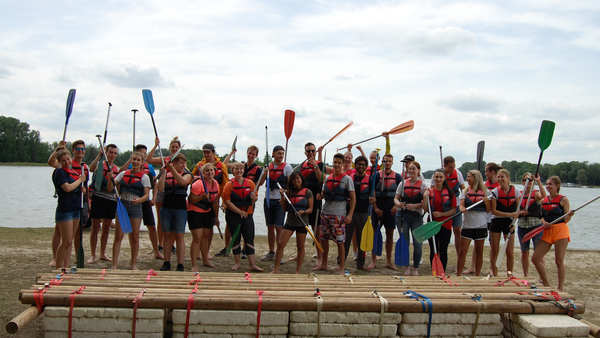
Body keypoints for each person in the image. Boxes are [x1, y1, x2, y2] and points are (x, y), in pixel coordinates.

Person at [47, 140, 89, 267]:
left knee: (70, 241)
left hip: (76, 209)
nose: (67, 162)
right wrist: (80, 181)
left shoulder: (74, 172)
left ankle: (66, 266)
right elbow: (67, 188)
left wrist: (83, 189)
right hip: (65, 211)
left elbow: (76, 188)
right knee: (65, 242)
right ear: (59, 162)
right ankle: (58, 268)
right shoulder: (60, 172)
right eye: (63, 160)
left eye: (68, 159)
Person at [314, 153, 356, 274]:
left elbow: (353, 198)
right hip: (325, 213)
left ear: (343, 164)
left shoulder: (347, 179)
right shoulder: (328, 178)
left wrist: (350, 215)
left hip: (339, 215)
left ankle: (342, 267)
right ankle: (324, 264)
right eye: (335, 162)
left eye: (339, 162)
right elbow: (323, 194)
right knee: (324, 239)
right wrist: (320, 196)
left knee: (340, 241)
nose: (337, 164)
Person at [119, 144, 163, 260]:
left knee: (152, 226)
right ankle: (133, 255)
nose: (144, 154)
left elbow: (155, 184)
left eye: (145, 153)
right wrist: (129, 161)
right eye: (141, 152)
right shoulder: (130, 166)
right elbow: (120, 174)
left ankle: (157, 251)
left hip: (145, 201)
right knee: (133, 231)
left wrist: (154, 198)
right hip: (131, 201)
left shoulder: (150, 168)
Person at [109, 152, 151, 270]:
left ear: (142, 162)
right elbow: (110, 188)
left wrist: (139, 200)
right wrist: (110, 179)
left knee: (134, 236)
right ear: (131, 160)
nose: (135, 162)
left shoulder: (144, 177)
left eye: (138, 160)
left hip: (136, 206)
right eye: (134, 159)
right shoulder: (122, 174)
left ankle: (133, 264)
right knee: (118, 236)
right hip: (123, 205)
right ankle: (114, 265)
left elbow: (147, 195)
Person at [532, 176, 574, 292]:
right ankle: (546, 283)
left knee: (559, 260)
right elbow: (541, 216)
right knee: (535, 258)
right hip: (548, 232)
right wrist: (544, 223)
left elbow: (566, 220)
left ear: (557, 186)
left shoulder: (563, 200)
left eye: (551, 184)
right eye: (547, 184)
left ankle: (560, 287)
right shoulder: (544, 200)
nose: (548, 186)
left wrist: (569, 215)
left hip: (561, 231)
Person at [223, 145, 263, 258]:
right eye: (249, 153)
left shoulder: (258, 169)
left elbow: (259, 184)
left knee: (246, 226)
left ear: (256, 156)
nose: (250, 156)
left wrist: (254, 199)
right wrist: (232, 152)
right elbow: (224, 165)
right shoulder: (241, 166)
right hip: (235, 200)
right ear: (246, 153)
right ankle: (228, 247)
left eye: (253, 154)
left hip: (249, 201)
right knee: (230, 224)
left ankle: (245, 250)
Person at [272, 172, 314, 274]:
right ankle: (276, 269)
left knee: (300, 247)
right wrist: (282, 196)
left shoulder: (308, 192)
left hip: (302, 222)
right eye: (294, 179)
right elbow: (285, 209)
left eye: (298, 178)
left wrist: (303, 212)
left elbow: (310, 209)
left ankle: (297, 271)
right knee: (281, 244)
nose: (296, 181)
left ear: (302, 179)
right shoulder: (289, 193)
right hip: (290, 222)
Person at [192, 143, 229, 257]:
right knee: (199, 228)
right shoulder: (199, 165)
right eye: (204, 152)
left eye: (208, 152)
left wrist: (224, 201)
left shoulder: (221, 166)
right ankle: (197, 252)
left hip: (214, 199)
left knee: (212, 223)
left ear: (213, 152)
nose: (206, 154)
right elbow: (190, 178)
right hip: (200, 200)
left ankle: (206, 251)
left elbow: (226, 184)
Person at [464, 162, 501, 275]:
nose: (485, 173)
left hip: (493, 218)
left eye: (486, 171)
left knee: (492, 245)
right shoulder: (484, 185)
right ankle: (473, 266)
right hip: (484, 219)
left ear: (492, 172)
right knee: (477, 243)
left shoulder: (499, 185)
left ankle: (491, 267)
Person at [157, 153, 192, 271]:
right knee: (167, 236)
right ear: (175, 163)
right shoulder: (167, 173)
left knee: (179, 236)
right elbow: (160, 188)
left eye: (184, 163)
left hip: (180, 209)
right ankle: (166, 262)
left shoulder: (187, 175)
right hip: (166, 208)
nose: (183, 165)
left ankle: (180, 264)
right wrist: (164, 173)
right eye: (181, 163)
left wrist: (171, 169)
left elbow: (182, 182)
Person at [147, 136, 181, 253]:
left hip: (172, 192)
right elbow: (149, 158)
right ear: (169, 147)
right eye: (172, 147)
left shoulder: (181, 161)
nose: (174, 149)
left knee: (173, 219)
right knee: (161, 219)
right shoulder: (164, 159)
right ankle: (159, 245)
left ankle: (171, 245)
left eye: (176, 147)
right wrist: (156, 145)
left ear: (179, 148)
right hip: (162, 190)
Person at [260, 146, 293, 262]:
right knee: (270, 227)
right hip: (268, 199)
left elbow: (291, 185)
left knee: (279, 228)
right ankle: (271, 252)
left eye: (282, 154)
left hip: (280, 201)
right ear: (273, 154)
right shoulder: (267, 167)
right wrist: (265, 173)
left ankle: (280, 253)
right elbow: (259, 184)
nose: (281, 156)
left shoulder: (287, 167)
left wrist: (286, 194)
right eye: (279, 153)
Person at [87, 143, 120, 263]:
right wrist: (99, 155)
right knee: (95, 228)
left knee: (106, 228)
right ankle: (93, 255)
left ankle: (102, 254)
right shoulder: (100, 164)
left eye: (115, 153)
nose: (112, 155)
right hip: (98, 198)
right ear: (106, 153)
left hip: (111, 200)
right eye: (111, 152)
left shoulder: (116, 169)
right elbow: (91, 169)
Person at [394, 161, 427, 276]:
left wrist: (415, 206)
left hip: (416, 216)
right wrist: (399, 204)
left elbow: (425, 203)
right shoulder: (402, 183)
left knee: (418, 243)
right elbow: (396, 199)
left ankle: (416, 268)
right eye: (410, 169)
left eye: (414, 169)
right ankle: (407, 267)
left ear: (418, 171)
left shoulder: (423, 185)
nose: (411, 171)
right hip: (402, 216)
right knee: (405, 242)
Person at [369, 154, 401, 270]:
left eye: (390, 161)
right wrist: (375, 208)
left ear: (392, 163)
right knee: (374, 234)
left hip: (391, 209)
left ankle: (388, 261)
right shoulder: (376, 175)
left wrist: (396, 207)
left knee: (390, 235)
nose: (387, 163)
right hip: (378, 209)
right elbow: (372, 193)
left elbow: (400, 193)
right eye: (385, 161)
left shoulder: (397, 176)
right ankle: (373, 261)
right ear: (382, 162)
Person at [456, 170, 490, 276]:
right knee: (463, 251)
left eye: (469, 177)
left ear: (476, 178)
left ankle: (477, 275)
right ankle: (458, 274)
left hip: (481, 225)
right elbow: (461, 205)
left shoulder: (486, 192)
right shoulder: (465, 191)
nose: (467, 179)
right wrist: (462, 209)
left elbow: (489, 210)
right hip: (468, 225)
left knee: (479, 251)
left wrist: (486, 202)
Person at [187, 164, 220, 271]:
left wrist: (216, 217)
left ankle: (205, 260)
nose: (209, 172)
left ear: (214, 172)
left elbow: (214, 202)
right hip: (195, 211)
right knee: (197, 238)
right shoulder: (198, 184)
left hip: (207, 211)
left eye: (211, 170)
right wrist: (202, 196)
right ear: (203, 173)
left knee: (205, 237)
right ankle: (194, 265)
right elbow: (191, 200)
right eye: (207, 171)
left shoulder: (216, 184)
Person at [489, 168, 521, 277]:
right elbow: (494, 211)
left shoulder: (516, 192)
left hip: (510, 223)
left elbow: (517, 211)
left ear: (508, 178)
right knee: (495, 251)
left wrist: (513, 222)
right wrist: (509, 215)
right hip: (497, 221)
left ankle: (509, 274)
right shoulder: (495, 192)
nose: (500, 179)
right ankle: (494, 274)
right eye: (498, 177)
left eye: (502, 177)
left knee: (510, 252)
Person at [423, 169, 456, 271]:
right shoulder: (429, 192)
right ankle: (434, 271)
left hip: (445, 224)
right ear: (433, 177)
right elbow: (425, 209)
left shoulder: (450, 194)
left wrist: (441, 214)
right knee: (433, 250)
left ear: (444, 178)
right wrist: (425, 197)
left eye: (441, 177)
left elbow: (454, 210)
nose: (438, 179)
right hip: (432, 224)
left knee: (443, 250)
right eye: (436, 177)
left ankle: (442, 272)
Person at [297, 142, 325, 263]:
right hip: (303, 201)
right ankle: (299, 254)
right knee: (301, 229)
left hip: (316, 201)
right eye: (308, 151)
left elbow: (322, 179)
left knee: (317, 230)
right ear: (305, 153)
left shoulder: (320, 164)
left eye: (313, 151)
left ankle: (319, 257)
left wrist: (315, 166)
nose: (311, 153)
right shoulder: (302, 166)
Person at [345, 156, 373, 270]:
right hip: (349, 212)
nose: (361, 166)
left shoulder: (370, 180)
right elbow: (345, 193)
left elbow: (373, 195)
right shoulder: (349, 178)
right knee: (346, 238)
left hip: (363, 212)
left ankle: (360, 264)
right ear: (355, 165)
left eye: (363, 165)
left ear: (366, 167)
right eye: (359, 164)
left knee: (362, 238)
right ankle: (340, 261)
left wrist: (373, 200)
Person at [517, 173, 546, 277]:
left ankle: (542, 277)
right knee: (525, 252)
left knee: (538, 253)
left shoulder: (535, 194)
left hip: (536, 227)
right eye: (525, 180)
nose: (527, 183)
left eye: (530, 181)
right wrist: (520, 213)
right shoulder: (519, 195)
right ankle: (526, 275)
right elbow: (514, 211)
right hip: (522, 227)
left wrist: (538, 181)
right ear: (522, 182)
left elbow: (543, 196)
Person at [437, 156, 466, 259]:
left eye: (454, 166)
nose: (452, 169)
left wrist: (464, 202)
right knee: (441, 232)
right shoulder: (439, 174)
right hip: (444, 207)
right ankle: (439, 254)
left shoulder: (458, 173)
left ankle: (459, 256)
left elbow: (463, 189)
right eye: (450, 167)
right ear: (444, 166)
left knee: (457, 230)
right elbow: (433, 189)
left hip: (456, 205)